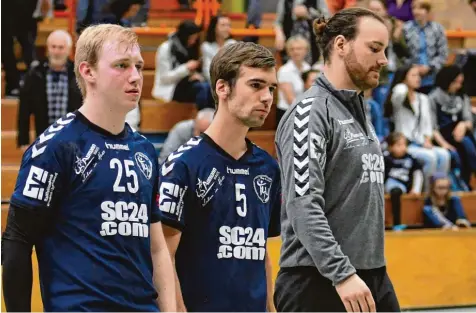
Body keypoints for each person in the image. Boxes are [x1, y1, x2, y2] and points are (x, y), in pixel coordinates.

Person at [1, 24, 175, 312]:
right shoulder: (57, 146)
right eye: (121, 65)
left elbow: (157, 248)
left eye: (138, 66)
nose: (135, 76)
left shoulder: (143, 150)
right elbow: (18, 239)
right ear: (87, 71)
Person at [274, 8, 401, 312]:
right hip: (318, 281)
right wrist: (342, 273)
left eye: (385, 50)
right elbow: (303, 203)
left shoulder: (360, 111)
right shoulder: (310, 113)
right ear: (341, 45)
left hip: (371, 276)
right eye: (374, 49)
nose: (383, 60)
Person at [158, 42, 281, 312]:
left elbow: (258, 252)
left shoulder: (268, 168)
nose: (267, 97)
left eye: (271, 87)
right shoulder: (184, 165)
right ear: (222, 87)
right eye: (256, 85)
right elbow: (162, 255)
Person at [384, 65, 451, 191]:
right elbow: (398, 93)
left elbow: (427, 124)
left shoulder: (423, 99)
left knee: (444, 155)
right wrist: (402, 84)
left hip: (421, 143)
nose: (418, 78)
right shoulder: (399, 97)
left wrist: (427, 139)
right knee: (430, 158)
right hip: (405, 144)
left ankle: (439, 190)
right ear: (404, 79)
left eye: (419, 75)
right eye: (413, 75)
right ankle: (425, 193)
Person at [17, 30, 82, 149]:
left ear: (68, 50)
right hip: (43, 139)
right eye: (53, 47)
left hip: (72, 140)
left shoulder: (78, 74)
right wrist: (23, 139)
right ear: (48, 48)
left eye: (61, 47)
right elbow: (24, 109)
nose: (57, 51)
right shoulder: (35, 73)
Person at [430, 65, 476, 189]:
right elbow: (432, 127)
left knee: (466, 142)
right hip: (442, 136)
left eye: (460, 82)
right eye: (456, 82)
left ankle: (467, 180)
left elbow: (469, 120)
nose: (459, 86)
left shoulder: (462, 96)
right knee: (461, 148)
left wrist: (463, 124)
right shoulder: (433, 98)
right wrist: (445, 144)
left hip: (462, 134)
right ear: (447, 80)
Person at [383, 132, 423, 230]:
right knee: (396, 191)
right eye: (399, 145)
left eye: (404, 144)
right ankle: (397, 223)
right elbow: (380, 175)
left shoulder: (411, 158)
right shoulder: (385, 158)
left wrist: (416, 189)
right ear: (390, 147)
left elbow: (418, 174)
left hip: (405, 185)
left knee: (399, 191)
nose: (403, 148)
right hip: (390, 184)